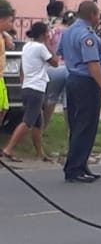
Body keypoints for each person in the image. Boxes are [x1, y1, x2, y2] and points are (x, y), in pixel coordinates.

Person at [58, 0, 101, 183]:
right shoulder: (86, 35)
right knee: (85, 126)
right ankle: (74, 169)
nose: (98, 18)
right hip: (87, 83)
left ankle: (80, 164)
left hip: (72, 80)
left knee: (77, 124)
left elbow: (61, 53)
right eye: (98, 15)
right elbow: (93, 65)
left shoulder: (68, 32)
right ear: (92, 15)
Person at [2, 22, 58, 163]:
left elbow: (21, 68)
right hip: (36, 88)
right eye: (47, 33)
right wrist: (49, 45)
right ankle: (8, 149)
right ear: (42, 34)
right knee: (28, 121)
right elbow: (55, 62)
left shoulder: (27, 46)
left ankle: (40, 153)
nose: (48, 35)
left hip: (27, 86)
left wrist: (23, 82)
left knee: (38, 122)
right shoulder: (41, 48)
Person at [44, 5, 73, 131]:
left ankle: (42, 127)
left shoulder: (47, 27)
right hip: (68, 66)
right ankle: (70, 129)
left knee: (51, 98)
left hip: (51, 67)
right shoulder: (68, 30)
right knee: (69, 100)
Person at [0, 5, 15, 129]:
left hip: (1, 76)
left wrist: (6, 35)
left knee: (4, 108)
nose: (11, 25)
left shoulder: (2, 34)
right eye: (10, 21)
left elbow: (10, 46)